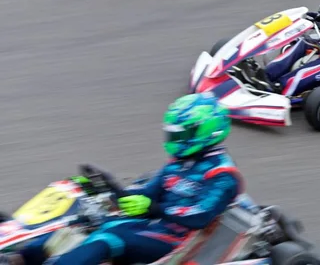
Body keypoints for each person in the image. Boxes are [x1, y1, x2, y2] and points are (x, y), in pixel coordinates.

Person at [0, 93, 242, 265]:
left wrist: (153, 207)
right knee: (81, 224)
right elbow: (147, 194)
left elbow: (198, 216)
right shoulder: (178, 164)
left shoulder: (222, 175)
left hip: (179, 238)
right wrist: (109, 187)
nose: (174, 139)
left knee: (108, 239)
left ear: (206, 132)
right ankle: (19, 257)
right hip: (150, 226)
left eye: (182, 134)